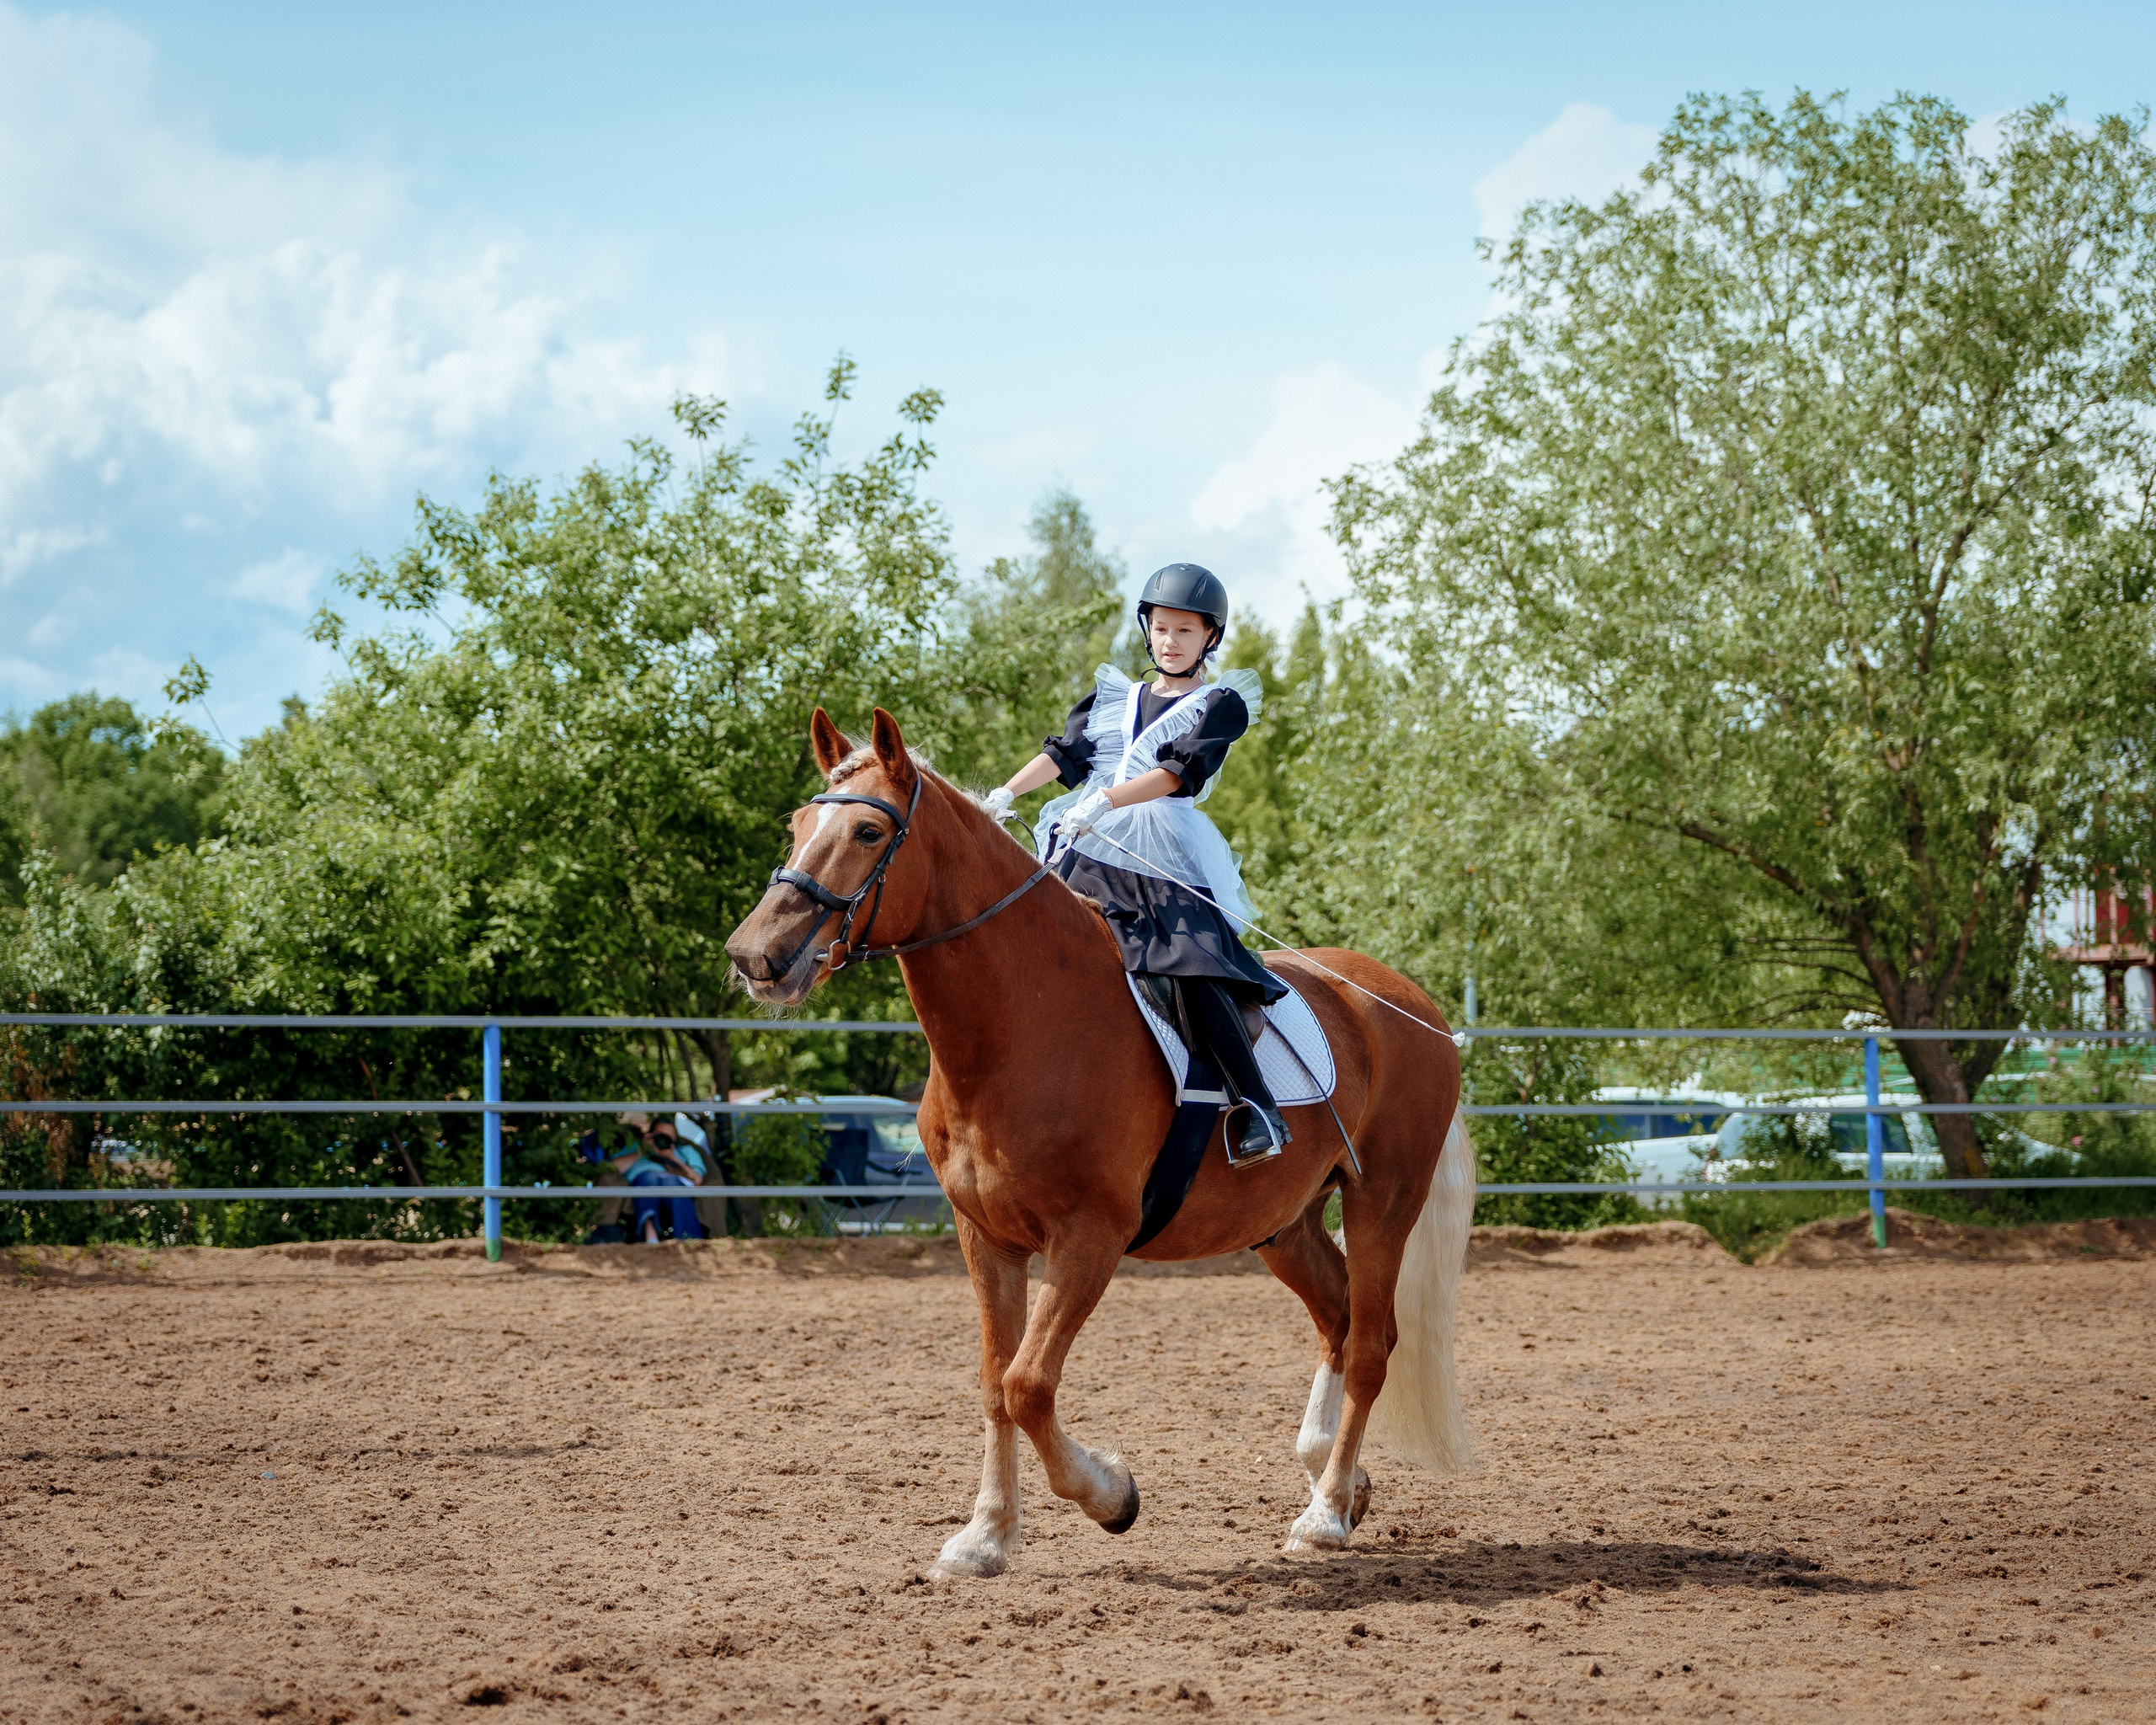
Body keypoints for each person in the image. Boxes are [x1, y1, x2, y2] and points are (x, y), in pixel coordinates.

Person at [983, 563, 1291, 1166]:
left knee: (1189, 966)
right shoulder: (1113, 697)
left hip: (1158, 851)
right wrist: (1006, 793)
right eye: (1160, 628)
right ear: (1146, 631)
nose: (1169, 641)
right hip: (1081, 840)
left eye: (1184, 631)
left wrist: (1106, 799)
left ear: (1210, 639)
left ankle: (1258, 1107)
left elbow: (1177, 774)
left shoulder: (1219, 703)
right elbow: (1065, 756)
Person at [605, 1114, 709, 1243]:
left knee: (671, 1182)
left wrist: (672, 1158)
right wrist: (643, 1151)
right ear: (650, 1136)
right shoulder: (637, 1148)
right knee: (649, 1178)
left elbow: (697, 1180)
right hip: (644, 1179)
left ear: (675, 1140)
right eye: (660, 1136)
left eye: (669, 1138)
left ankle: (689, 1239)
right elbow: (611, 1168)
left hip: (673, 1181)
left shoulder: (685, 1151)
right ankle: (651, 1238)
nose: (663, 1141)